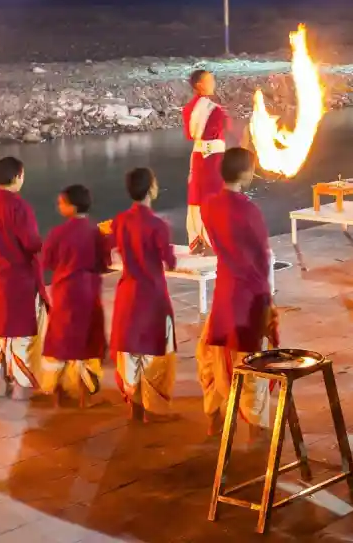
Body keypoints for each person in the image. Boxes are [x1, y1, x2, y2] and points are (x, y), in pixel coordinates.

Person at [196, 148, 279, 435]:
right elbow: (262, 256)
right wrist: (268, 299)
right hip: (249, 294)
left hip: (225, 289)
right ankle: (257, 429)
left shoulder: (208, 206)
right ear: (245, 174)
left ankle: (214, 417)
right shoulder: (248, 210)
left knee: (216, 356)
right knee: (251, 361)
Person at [106, 168, 178, 420]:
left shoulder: (120, 221)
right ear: (151, 189)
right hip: (152, 295)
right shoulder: (158, 225)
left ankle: (135, 406)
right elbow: (169, 261)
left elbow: (109, 248)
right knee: (155, 353)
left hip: (128, 292)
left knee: (130, 350)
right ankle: (153, 407)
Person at [0, 157, 45, 399]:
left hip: (1, 272)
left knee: (1, 329)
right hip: (22, 274)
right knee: (21, 331)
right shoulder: (21, 207)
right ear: (18, 177)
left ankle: (0, 382)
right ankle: (20, 384)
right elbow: (31, 243)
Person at [40, 184, 110, 406]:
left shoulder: (57, 233)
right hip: (89, 292)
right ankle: (84, 397)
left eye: (61, 202)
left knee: (60, 342)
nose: (58, 206)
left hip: (64, 292)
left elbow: (48, 262)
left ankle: (58, 393)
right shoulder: (95, 232)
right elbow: (104, 263)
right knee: (88, 343)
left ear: (71, 206)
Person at [183, 69, 227, 255]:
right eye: (210, 80)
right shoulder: (213, 110)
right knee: (212, 196)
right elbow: (224, 129)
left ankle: (197, 239)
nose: (213, 82)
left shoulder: (188, 109)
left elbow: (189, 135)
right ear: (199, 85)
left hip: (198, 156)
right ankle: (211, 241)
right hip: (213, 159)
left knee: (197, 196)